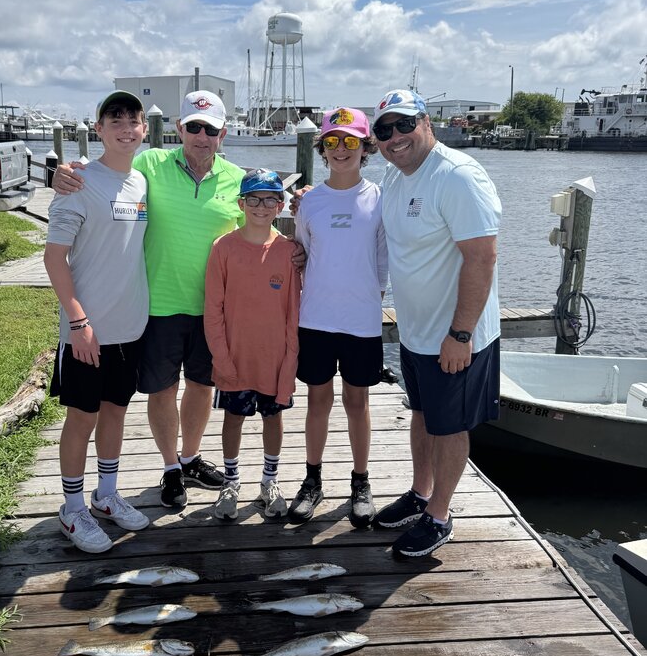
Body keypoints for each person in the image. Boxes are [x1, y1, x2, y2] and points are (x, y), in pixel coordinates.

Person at [51, 90, 243, 508]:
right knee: (162, 389)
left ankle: (190, 458)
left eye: (210, 129)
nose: (202, 136)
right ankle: (171, 467)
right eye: (194, 127)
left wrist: (294, 245)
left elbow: (258, 229)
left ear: (223, 134)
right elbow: (104, 169)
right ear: (179, 129)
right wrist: (62, 173)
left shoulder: (237, 178)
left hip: (212, 308)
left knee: (201, 386)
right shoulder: (149, 164)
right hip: (155, 306)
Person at [371, 88, 502, 557]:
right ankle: (419, 494)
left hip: (456, 335)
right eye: (384, 130)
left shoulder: (458, 175)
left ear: (427, 123)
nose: (395, 137)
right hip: (416, 332)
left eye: (405, 124)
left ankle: (440, 515)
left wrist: (460, 334)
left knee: (449, 426)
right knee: (422, 414)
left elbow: (482, 258)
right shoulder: (394, 176)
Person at [44, 90, 150, 552]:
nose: (126, 128)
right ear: (99, 129)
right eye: (115, 120)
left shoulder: (142, 181)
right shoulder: (79, 182)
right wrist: (78, 323)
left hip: (130, 327)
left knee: (115, 412)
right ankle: (71, 508)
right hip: (86, 332)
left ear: (144, 129)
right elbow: (54, 259)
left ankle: (106, 495)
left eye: (133, 120)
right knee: (81, 417)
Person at [288, 107, 389, 527]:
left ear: (366, 148)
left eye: (350, 141)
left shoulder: (380, 198)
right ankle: (312, 480)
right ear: (322, 148)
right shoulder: (309, 201)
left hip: (362, 320)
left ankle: (360, 482)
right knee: (317, 400)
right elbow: (302, 253)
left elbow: (383, 262)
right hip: (316, 317)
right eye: (332, 141)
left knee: (357, 401)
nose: (341, 149)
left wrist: (368, 300)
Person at [203, 169, 300, 520]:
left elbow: (294, 313)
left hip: (274, 361)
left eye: (270, 199)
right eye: (254, 199)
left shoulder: (289, 251)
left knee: (273, 418)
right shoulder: (223, 248)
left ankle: (269, 481)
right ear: (241, 204)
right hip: (234, 359)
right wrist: (221, 358)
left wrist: (290, 363)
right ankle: (231, 482)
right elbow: (213, 309)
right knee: (234, 419)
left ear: (280, 206)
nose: (261, 206)